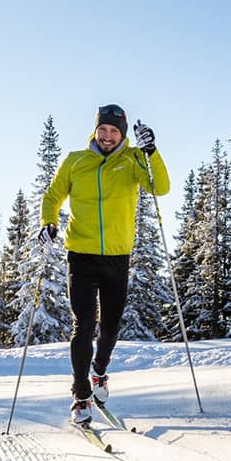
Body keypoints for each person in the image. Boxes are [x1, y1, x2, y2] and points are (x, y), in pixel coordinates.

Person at [39, 104, 170, 425]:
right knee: (83, 326)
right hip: (80, 254)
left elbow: (160, 188)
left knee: (111, 327)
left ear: (122, 134)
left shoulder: (134, 159)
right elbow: (52, 196)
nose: (107, 136)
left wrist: (152, 152)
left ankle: (99, 372)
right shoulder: (75, 161)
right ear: (95, 130)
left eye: (113, 131)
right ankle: (80, 393)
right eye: (103, 130)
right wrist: (48, 221)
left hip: (116, 255)